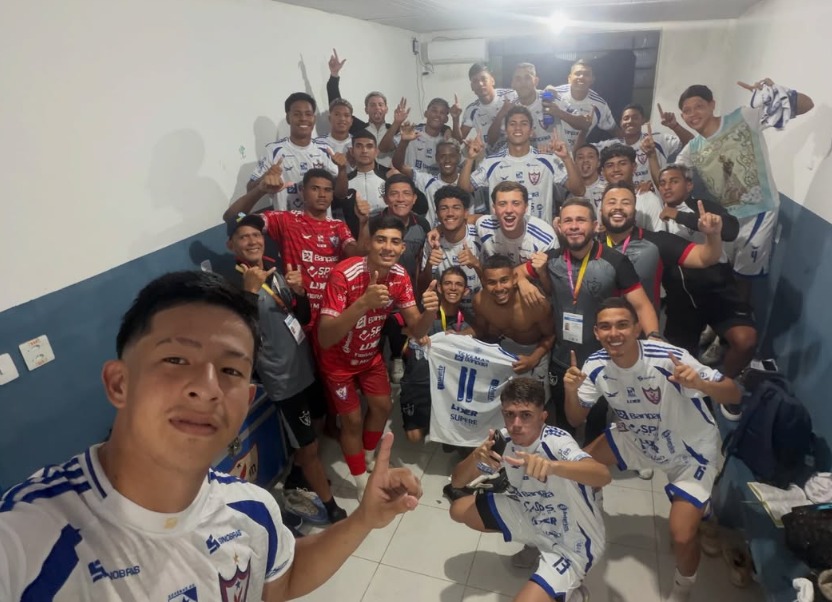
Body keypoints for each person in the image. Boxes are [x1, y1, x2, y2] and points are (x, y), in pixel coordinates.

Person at [0, 270, 423, 601]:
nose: (206, 388)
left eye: (230, 369)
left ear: (248, 397)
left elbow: (281, 580)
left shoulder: (252, 508)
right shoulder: (28, 538)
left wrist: (364, 520)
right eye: (176, 359)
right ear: (119, 383)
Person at [565, 298, 742, 602]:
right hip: (638, 438)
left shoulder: (668, 357)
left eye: (622, 325)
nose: (614, 333)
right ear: (596, 332)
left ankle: (682, 590)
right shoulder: (594, 365)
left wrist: (702, 384)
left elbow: (735, 393)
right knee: (577, 469)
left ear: (637, 328)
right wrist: (570, 392)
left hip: (689, 450)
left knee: (682, 536)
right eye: (605, 326)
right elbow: (574, 418)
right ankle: (591, 512)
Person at [225, 213, 347, 524]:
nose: (252, 241)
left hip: (304, 366)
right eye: (243, 237)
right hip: (282, 379)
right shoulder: (232, 288)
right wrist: (250, 293)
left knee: (318, 420)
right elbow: (238, 336)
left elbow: (300, 317)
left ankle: (299, 472)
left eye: (256, 235)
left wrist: (301, 292)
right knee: (308, 446)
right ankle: (328, 505)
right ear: (231, 245)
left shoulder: (275, 272)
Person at [449, 377, 609, 602]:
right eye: (509, 414)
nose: (515, 424)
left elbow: (602, 474)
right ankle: (536, 543)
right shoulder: (502, 440)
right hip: (532, 514)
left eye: (526, 415)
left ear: (542, 417)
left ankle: (573, 592)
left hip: (572, 539)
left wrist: (553, 467)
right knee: (458, 509)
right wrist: (475, 458)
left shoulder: (557, 442)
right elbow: (457, 483)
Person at [316, 215, 440, 498]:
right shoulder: (343, 275)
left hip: (369, 356)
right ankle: (361, 484)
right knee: (351, 421)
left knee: (383, 407)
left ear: (402, 248)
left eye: (395, 242)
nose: (387, 247)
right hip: (337, 361)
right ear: (369, 243)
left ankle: (369, 458)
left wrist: (430, 312)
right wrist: (363, 303)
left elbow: (416, 329)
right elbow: (325, 337)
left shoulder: (399, 275)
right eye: (381, 239)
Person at [519, 198, 659, 444]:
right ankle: (563, 457)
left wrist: (655, 340)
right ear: (560, 227)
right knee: (563, 420)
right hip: (561, 359)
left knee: (596, 421)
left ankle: (591, 460)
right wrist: (522, 280)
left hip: (602, 359)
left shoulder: (615, 261)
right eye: (568, 221)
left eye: (580, 220)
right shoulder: (549, 259)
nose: (574, 226)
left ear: (595, 226)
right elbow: (513, 274)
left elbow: (641, 304)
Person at [674, 80, 814, 302]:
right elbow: (673, 177)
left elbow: (807, 104)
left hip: (759, 212)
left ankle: (741, 314)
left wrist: (775, 91)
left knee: (744, 276)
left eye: (699, 106)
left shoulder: (743, 118)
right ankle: (727, 314)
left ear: (712, 105)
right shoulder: (692, 149)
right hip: (725, 218)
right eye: (687, 111)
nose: (693, 114)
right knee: (723, 268)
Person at [224, 168, 370, 328]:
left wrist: (363, 223)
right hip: (301, 312)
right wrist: (260, 190)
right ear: (302, 191)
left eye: (327, 190)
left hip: (333, 310)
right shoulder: (285, 220)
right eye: (315, 188)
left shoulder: (339, 226)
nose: (322, 194)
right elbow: (233, 218)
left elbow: (358, 255)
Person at [657, 164, 758, 394]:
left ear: (689, 185)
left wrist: (681, 216)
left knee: (746, 340)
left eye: (674, 181)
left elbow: (730, 230)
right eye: (662, 183)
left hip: (717, 287)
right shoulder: (654, 211)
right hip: (680, 296)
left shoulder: (703, 207)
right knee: (679, 357)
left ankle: (723, 387)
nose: (667, 187)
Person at [599, 180, 726, 309]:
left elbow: (705, 258)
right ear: (601, 210)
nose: (618, 207)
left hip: (646, 321)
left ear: (635, 212)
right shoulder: (591, 247)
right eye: (612, 202)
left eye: (626, 203)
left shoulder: (655, 242)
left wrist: (713, 235)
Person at [462, 106, 584, 222]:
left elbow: (579, 190)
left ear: (531, 132)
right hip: (503, 234)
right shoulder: (491, 162)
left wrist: (567, 158)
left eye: (524, 124)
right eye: (512, 124)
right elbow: (464, 189)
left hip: (541, 234)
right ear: (505, 131)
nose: (518, 128)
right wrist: (470, 158)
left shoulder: (548, 160)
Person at [399, 266, 474, 443]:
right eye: (448, 283)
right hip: (420, 380)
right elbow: (400, 328)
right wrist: (416, 332)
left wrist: (462, 335)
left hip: (448, 384)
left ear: (466, 291)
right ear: (439, 287)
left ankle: (439, 417)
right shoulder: (425, 308)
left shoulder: (468, 316)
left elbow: (482, 330)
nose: (453, 288)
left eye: (458, 284)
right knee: (414, 438)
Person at [248, 92, 349, 211]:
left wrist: (342, 170)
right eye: (297, 114)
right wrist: (264, 179)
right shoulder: (273, 151)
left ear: (314, 118)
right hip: (285, 221)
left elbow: (341, 194)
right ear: (288, 118)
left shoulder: (325, 150)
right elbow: (250, 189)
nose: (303, 118)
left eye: (308, 114)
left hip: (320, 221)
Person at [473, 254, 555, 394]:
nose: (499, 288)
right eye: (492, 282)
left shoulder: (534, 302)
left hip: (536, 351)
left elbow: (551, 335)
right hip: (504, 351)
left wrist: (533, 359)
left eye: (504, 280)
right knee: (503, 399)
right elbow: (480, 330)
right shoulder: (480, 301)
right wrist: (456, 335)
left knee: (535, 400)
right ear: (484, 282)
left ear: (515, 278)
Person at [377, 174, 432, 383]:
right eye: (394, 194)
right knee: (375, 335)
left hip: (406, 293)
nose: (400, 199)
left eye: (406, 193)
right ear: (385, 198)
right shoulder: (374, 221)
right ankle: (375, 366)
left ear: (415, 198)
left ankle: (397, 357)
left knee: (401, 330)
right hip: (377, 292)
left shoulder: (422, 224)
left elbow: (421, 260)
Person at [326, 49, 395, 167]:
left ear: (386, 109)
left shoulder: (395, 129)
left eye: (380, 105)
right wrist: (334, 75)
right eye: (372, 105)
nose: (377, 108)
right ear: (366, 110)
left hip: (389, 176)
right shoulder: (359, 128)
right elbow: (337, 106)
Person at [418, 185, 482, 309]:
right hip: (444, 309)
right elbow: (423, 286)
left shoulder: (479, 235)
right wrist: (429, 265)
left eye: (456, 208)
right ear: (437, 214)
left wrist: (476, 264)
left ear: (466, 213)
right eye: (444, 208)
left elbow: (494, 282)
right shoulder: (432, 240)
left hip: (477, 308)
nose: (450, 213)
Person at [487, 63, 575, 151]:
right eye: (518, 79)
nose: (523, 83)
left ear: (536, 81)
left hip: (557, 156)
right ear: (513, 84)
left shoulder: (550, 97)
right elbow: (490, 141)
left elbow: (581, 123)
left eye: (527, 78)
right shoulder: (508, 105)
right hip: (527, 158)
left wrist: (560, 113)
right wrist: (501, 114)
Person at [598, 103, 689, 186]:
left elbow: (691, 144)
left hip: (656, 197)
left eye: (635, 118)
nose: (630, 121)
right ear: (621, 123)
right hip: (623, 197)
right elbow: (589, 152)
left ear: (643, 121)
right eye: (626, 118)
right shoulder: (610, 145)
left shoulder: (657, 139)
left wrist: (675, 126)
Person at [476, 181, 558, 267]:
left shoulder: (545, 238)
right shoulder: (483, 227)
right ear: (494, 208)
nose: (509, 210)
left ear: (526, 207)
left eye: (516, 203)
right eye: (502, 204)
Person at [393, 132, 467, 226]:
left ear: (459, 158)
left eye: (452, 156)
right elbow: (399, 165)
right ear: (436, 158)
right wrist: (404, 142)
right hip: (433, 233)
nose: (447, 160)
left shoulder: (468, 183)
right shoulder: (428, 181)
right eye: (442, 156)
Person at [550, 59, 618, 149]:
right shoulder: (555, 94)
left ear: (592, 79)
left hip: (578, 153)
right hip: (552, 151)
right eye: (577, 73)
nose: (581, 77)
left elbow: (614, 130)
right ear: (569, 78)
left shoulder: (600, 104)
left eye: (586, 74)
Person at [380, 98, 453, 176]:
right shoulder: (410, 133)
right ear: (426, 113)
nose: (437, 115)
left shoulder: (446, 140)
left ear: (446, 119)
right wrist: (396, 122)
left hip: (434, 183)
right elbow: (383, 148)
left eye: (442, 112)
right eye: (434, 111)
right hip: (408, 181)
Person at [599, 143, 664, 231]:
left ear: (634, 167)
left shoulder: (649, 199)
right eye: (610, 165)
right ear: (603, 172)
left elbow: (659, 235)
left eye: (622, 163)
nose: (616, 169)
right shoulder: (603, 202)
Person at [459, 62, 517, 151]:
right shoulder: (471, 110)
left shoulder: (511, 96)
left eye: (484, 79)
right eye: (475, 81)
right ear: (472, 87)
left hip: (516, 154)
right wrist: (455, 119)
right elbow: (458, 141)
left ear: (492, 81)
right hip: (489, 157)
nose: (480, 84)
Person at [571, 143, 605, 213]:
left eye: (590, 157)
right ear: (574, 163)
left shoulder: (608, 187)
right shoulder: (568, 189)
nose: (585, 160)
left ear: (598, 162)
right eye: (580, 157)